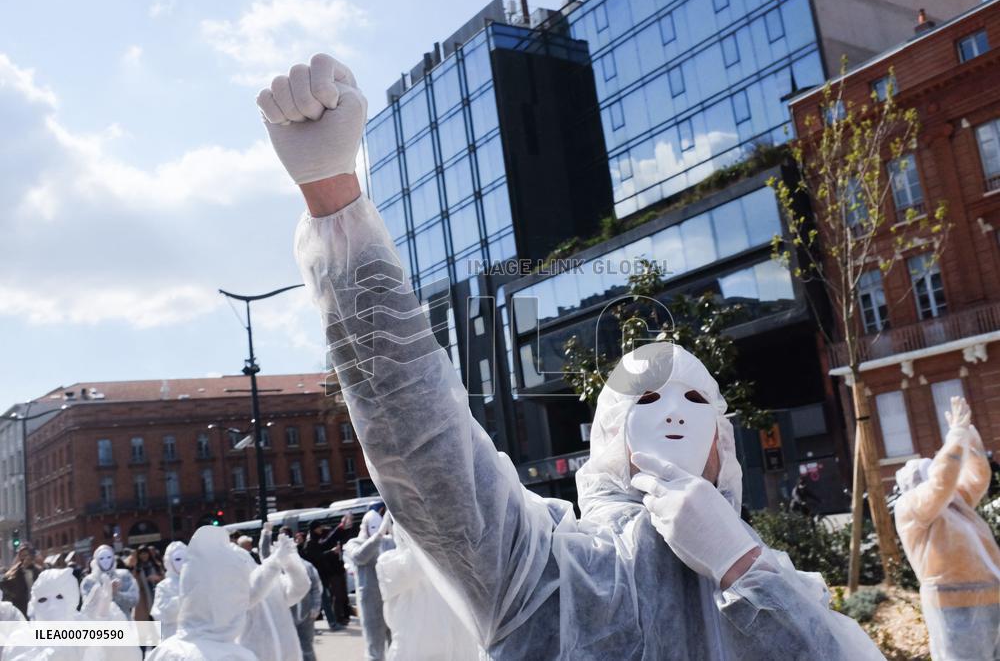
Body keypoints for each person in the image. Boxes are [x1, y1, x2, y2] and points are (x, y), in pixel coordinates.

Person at [258, 53, 885, 659]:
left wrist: (741, 565)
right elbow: (423, 444)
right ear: (610, 437)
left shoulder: (788, 589)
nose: (674, 412)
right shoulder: (550, 579)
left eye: (696, 398)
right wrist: (334, 200)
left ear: (726, 439)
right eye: (646, 397)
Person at [894, 397, 1000, 660]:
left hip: (991, 597)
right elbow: (942, 481)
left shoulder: (954, 504)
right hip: (954, 606)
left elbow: (978, 477)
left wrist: (969, 436)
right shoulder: (912, 506)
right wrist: (955, 436)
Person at [146, 527, 256, 661]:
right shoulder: (239, 656)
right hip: (176, 634)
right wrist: (188, 599)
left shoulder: (163, 652)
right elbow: (161, 612)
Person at [376, 525, 482, 660]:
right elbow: (416, 563)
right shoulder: (390, 563)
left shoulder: (453, 555)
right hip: (417, 653)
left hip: (457, 646)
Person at [5, 566, 141, 661]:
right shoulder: (23, 637)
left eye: (59, 597)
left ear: (71, 599)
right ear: (34, 604)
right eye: (43, 599)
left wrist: (104, 620)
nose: (52, 606)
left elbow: (127, 656)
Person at [236, 528, 311, 661]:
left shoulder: (271, 580)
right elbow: (251, 595)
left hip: (289, 655)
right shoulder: (233, 589)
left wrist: (289, 563)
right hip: (255, 655)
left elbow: (300, 588)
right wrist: (275, 561)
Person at [344, 509, 394, 660]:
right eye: (373, 527)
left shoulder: (387, 541)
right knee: (374, 648)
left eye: (378, 527)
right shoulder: (354, 543)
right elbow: (360, 557)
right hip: (370, 602)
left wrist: (393, 532)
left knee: (396, 645)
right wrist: (378, 536)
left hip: (392, 598)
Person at [301, 514, 353, 630]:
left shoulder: (315, 539)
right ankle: (331, 623)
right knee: (324, 600)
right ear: (315, 529)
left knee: (323, 600)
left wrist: (341, 527)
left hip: (321, 575)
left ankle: (316, 625)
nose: (321, 529)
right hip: (316, 576)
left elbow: (329, 540)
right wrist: (332, 552)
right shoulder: (310, 542)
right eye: (319, 527)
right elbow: (318, 556)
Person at [81, 544, 139, 620]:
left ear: (113, 558)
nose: (105, 561)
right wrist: (106, 593)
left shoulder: (124, 575)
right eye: (101, 558)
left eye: (108, 557)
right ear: (96, 560)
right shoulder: (89, 581)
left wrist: (117, 594)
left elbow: (134, 600)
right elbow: (87, 607)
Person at [150, 541, 186, 639]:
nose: (182, 563)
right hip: (173, 636)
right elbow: (160, 614)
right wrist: (183, 599)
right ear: (169, 561)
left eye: (186, 559)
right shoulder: (163, 586)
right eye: (178, 559)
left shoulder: (197, 582)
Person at [291, 550, 323, 661]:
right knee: (291, 647)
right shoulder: (281, 567)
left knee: (306, 646)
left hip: (307, 614)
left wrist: (316, 607)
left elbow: (316, 588)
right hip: (287, 616)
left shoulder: (307, 566)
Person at [0, 545, 43, 616]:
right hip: (21, 608)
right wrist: (14, 596)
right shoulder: (14, 572)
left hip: (36, 607)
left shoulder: (38, 570)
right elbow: (4, 585)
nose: (26, 557)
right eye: (23, 555)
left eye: (27, 555)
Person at [126, 545, 164, 621]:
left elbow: (164, 579)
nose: (144, 556)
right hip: (143, 599)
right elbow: (132, 581)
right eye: (141, 554)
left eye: (145, 553)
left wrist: (157, 578)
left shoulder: (156, 565)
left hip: (157, 595)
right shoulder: (137, 568)